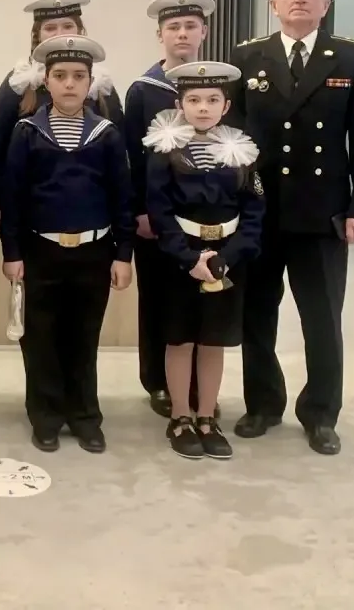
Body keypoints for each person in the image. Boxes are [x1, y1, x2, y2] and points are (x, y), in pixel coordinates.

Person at [229, 0, 354, 455]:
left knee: (322, 319)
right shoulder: (247, 57)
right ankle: (262, 404)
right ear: (274, 3)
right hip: (261, 210)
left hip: (323, 212)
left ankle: (320, 414)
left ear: (326, 3)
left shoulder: (352, 57)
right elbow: (233, 138)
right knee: (257, 314)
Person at [0, 35, 133, 454]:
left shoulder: (107, 134)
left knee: (83, 337)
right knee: (40, 337)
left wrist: (123, 254)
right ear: (46, 81)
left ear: (91, 82)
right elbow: (13, 196)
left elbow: (122, 198)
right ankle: (46, 416)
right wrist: (11, 252)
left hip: (93, 251)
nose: (70, 84)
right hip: (41, 250)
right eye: (60, 76)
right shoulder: (27, 131)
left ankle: (84, 415)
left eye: (78, 76)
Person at [143, 62, 264, 460]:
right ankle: (180, 416)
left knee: (214, 339)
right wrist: (188, 257)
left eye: (213, 100)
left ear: (226, 106)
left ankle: (207, 417)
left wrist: (228, 257)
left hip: (227, 258)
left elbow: (254, 210)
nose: (203, 108)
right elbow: (159, 211)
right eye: (193, 100)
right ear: (179, 105)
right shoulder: (165, 150)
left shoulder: (241, 150)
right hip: (181, 257)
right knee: (180, 338)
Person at [122, 0, 215, 419]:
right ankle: (157, 382)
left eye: (190, 26)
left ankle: (198, 387)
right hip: (157, 216)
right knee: (157, 298)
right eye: (173, 27)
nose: (182, 34)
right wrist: (139, 210)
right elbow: (131, 155)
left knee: (202, 300)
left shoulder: (216, 86)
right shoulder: (143, 90)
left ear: (203, 32)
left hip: (206, 216)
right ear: (159, 34)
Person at [0, 0, 123, 227]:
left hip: (92, 211)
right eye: (50, 28)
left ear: (80, 31)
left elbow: (120, 150)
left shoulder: (101, 86)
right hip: (33, 211)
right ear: (37, 35)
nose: (60, 33)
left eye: (67, 26)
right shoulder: (18, 83)